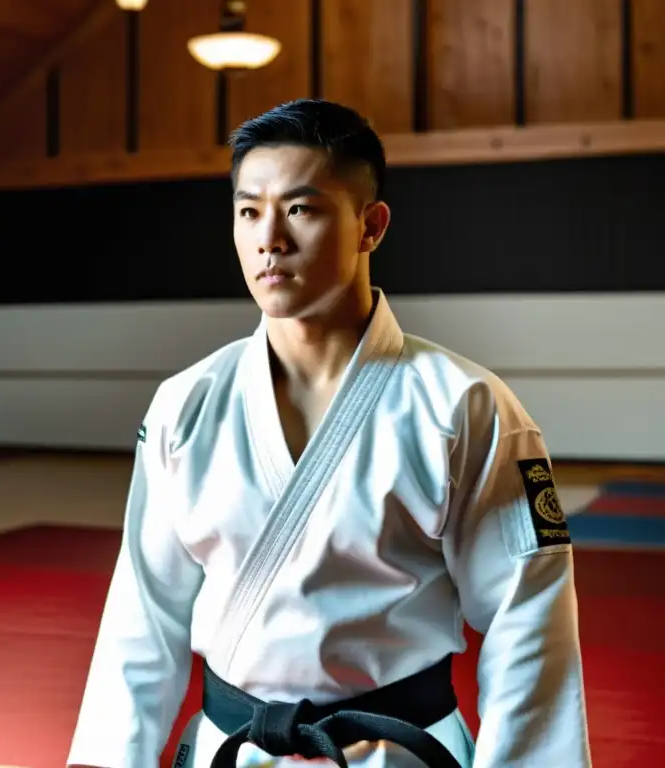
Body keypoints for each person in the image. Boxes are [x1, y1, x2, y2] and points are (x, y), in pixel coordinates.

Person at [67, 100, 590, 768]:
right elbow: (144, 617)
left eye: (301, 209)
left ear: (370, 227)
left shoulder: (465, 406)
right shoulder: (185, 404)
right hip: (234, 750)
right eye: (248, 210)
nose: (269, 239)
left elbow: (531, 625)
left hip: (398, 755)